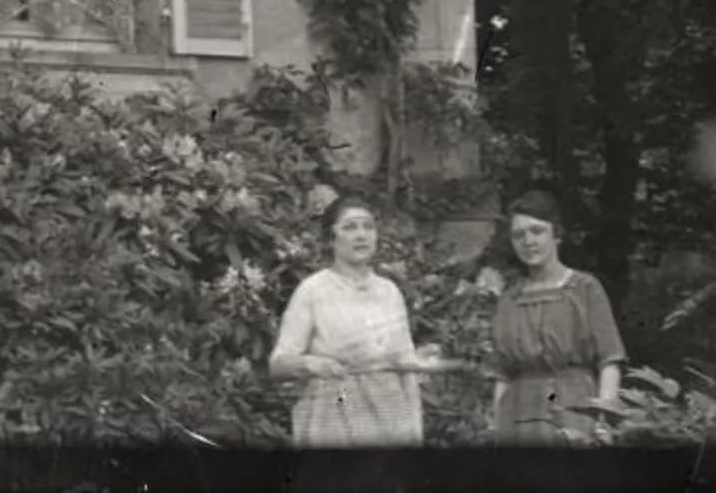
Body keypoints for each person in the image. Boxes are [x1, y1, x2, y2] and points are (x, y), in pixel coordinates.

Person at [268, 192, 443, 446]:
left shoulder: (389, 292)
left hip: (388, 419)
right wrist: (310, 363)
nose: (361, 235)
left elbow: (405, 367)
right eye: (349, 227)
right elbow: (278, 364)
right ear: (331, 239)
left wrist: (414, 432)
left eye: (368, 227)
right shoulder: (313, 291)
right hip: (333, 418)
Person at [485, 186, 626, 442]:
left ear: (556, 235)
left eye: (537, 231)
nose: (528, 241)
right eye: (519, 235)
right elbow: (502, 373)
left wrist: (604, 419)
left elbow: (610, 360)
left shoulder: (584, 288)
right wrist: (496, 427)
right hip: (517, 415)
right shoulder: (509, 299)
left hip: (575, 407)